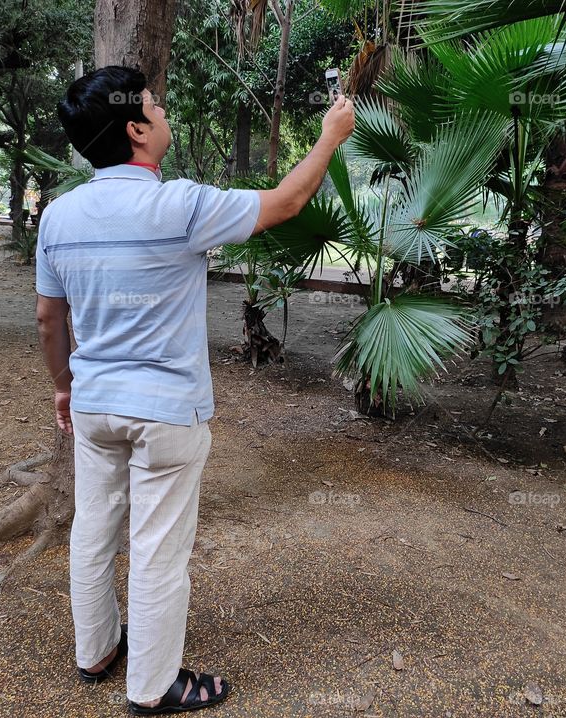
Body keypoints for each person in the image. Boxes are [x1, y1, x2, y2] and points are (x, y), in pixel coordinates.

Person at [35, 65, 354, 715]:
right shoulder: (179, 205)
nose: (163, 112)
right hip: (164, 413)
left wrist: (64, 389)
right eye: (155, 105)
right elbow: (285, 202)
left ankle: (96, 652)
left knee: (94, 529)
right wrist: (330, 135)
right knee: (157, 550)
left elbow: (48, 318)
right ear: (136, 129)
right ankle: (153, 687)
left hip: (94, 405)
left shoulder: (58, 216)